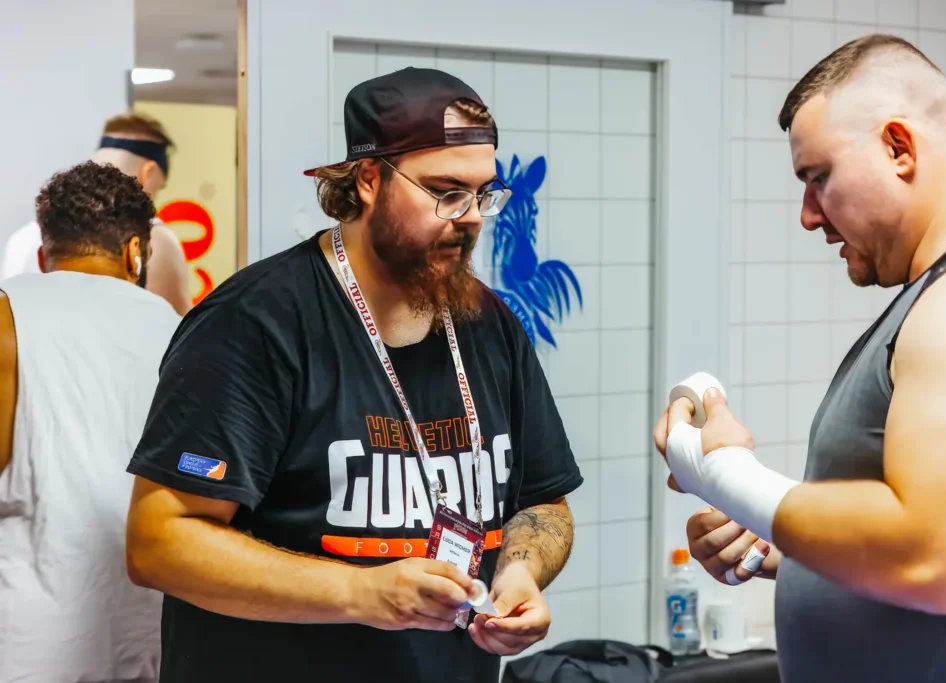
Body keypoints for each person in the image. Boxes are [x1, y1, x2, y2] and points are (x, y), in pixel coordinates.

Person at [123, 67, 582, 683]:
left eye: (484, 193)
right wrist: (360, 594)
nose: (471, 216)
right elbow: (159, 541)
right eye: (446, 191)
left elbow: (544, 503)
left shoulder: (488, 323)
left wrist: (519, 574)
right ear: (369, 180)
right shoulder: (255, 323)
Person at [654, 34, 946, 683]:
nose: (807, 215)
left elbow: (931, 556)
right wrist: (793, 546)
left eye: (817, 177)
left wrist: (724, 472)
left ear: (899, 148)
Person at [0, 161, 182, 682]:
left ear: (43, 255)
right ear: (134, 252)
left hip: (27, 646)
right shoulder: (183, 334)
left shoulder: (8, 316)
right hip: (153, 634)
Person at [2, 112, 193, 315]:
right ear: (148, 172)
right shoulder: (155, 239)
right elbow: (182, 338)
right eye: (158, 189)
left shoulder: (21, 239)